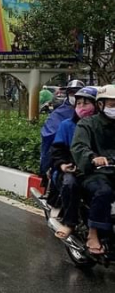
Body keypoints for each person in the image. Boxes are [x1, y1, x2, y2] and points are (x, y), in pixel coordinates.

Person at [71, 85, 115, 255]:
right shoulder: (87, 124)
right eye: (112, 104)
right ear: (101, 105)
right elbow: (79, 146)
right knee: (103, 192)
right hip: (95, 174)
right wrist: (92, 157)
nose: (114, 108)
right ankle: (93, 233)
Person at [49, 87, 97, 238]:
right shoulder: (67, 125)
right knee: (71, 184)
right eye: (79, 103)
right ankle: (70, 222)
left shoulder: (102, 126)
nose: (82, 107)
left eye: (87, 103)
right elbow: (57, 150)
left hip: (96, 170)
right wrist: (63, 165)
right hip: (72, 170)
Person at [41, 79, 85, 186]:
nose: (74, 96)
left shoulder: (94, 115)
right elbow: (51, 137)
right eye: (72, 93)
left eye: (77, 93)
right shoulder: (61, 117)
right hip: (67, 157)